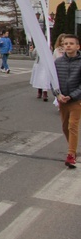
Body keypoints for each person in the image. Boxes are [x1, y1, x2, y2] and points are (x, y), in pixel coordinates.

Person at [53, 34, 81, 168]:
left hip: (76, 100)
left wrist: (72, 96)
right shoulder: (58, 62)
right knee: (65, 127)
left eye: (71, 43)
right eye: (65, 44)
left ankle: (71, 155)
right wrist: (58, 95)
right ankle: (73, 148)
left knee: (72, 126)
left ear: (77, 46)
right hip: (62, 100)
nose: (68, 45)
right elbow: (53, 81)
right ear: (62, 46)